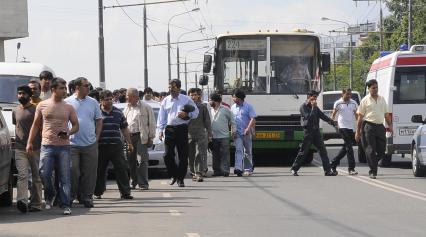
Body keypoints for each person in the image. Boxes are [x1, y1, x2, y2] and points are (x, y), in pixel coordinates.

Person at [27, 77, 79, 215]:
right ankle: (50, 195)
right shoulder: (42, 105)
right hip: (47, 145)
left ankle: (66, 204)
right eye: (61, 88)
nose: (64, 91)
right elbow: (36, 125)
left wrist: (68, 133)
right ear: (53, 89)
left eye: (65, 88)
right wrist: (29, 142)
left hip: (64, 147)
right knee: (44, 174)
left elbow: (76, 125)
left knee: (65, 177)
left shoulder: (69, 107)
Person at [64, 77, 103, 208]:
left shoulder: (93, 102)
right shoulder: (67, 102)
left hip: (90, 143)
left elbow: (98, 120)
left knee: (90, 172)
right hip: (72, 144)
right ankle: (71, 196)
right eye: (86, 85)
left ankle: (87, 197)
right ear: (77, 87)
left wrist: (97, 137)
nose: (89, 88)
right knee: (73, 170)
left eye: (89, 85)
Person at [157, 79, 199, 187]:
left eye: (173, 87)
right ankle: (173, 174)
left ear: (179, 88)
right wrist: (160, 131)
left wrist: (187, 115)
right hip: (169, 129)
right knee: (167, 155)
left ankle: (180, 178)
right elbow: (162, 117)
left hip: (182, 128)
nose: (171, 89)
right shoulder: (166, 100)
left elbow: (196, 112)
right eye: (170, 87)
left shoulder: (186, 99)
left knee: (183, 155)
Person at [94, 90, 134, 199]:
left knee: (122, 168)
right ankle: (98, 192)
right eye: (106, 100)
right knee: (100, 170)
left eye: (110, 99)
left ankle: (125, 192)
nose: (109, 101)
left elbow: (124, 128)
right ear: (101, 100)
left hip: (116, 146)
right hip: (100, 146)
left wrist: (129, 143)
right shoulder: (96, 112)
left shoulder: (118, 112)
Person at [290, 90, 338, 176]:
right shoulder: (303, 107)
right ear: (309, 97)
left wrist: (332, 122)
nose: (315, 99)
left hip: (316, 132)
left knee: (323, 151)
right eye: (314, 97)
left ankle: (327, 171)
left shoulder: (315, 107)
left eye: (316, 97)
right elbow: (309, 118)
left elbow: (322, 116)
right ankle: (294, 168)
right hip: (308, 132)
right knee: (304, 151)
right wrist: (313, 108)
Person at [13, 85, 43, 213]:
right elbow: (17, 126)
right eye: (19, 93)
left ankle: (36, 204)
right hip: (19, 148)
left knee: (36, 177)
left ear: (29, 95)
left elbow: (40, 128)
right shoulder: (15, 110)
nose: (21, 96)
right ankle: (22, 202)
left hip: (35, 148)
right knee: (22, 175)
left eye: (23, 94)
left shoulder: (36, 110)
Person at [355, 79, 393, 179]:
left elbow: (386, 114)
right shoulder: (365, 100)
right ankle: (373, 171)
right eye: (373, 88)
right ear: (369, 89)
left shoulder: (382, 99)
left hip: (380, 126)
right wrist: (358, 132)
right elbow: (359, 117)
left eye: (376, 87)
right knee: (370, 150)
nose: (375, 89)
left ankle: (373, 163)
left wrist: (390, 126)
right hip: (368, 126)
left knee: (382, 149)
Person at [123, 88, 156, 190]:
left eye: (128, 96)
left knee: (142, 160)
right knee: (131, 161)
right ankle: (133, 181)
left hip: (141, 137)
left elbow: (152, 123)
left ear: (135, 97)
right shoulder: (127, 108)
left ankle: (143, 183)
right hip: (129, 137)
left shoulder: (146, 107)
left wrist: (151, 137)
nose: (126, 98)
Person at [330, 89, 359, 175]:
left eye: (350, 94)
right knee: (349, 148)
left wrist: (358, 128)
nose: (349, 96)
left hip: (350, 127)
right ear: (342, 94)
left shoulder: (353, 103)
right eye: (347, 94)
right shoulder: (338, 103)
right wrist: (333, 123)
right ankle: (351, 168)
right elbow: (333, 114)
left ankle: (333, 163)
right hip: (342, 127)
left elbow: (357, 115)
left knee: (346, 147)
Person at [188, 88, 212, 182]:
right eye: (191, 95)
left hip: (201, 134)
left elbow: (207, 121)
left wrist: (210, 133)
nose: (193, 96)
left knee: (200, 153)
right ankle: (193, 171)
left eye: (195, 95)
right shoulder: (185, 106)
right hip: (188, 135)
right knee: (191, 154)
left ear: (198, 96)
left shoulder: (202, 107)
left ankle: (199, 172)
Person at [231, 89, 256, 176]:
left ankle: (248, 169)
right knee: (238, 150)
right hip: (237, 132)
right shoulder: (233, 107)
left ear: (240, 98)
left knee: (248, 151)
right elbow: (232, 120)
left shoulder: (249, 106)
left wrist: (248, 129)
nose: (233, 99)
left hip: (246, 133)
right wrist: (233, 131)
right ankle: (238, 168)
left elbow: (253, 118)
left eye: (234, 97)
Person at [209, 92, 236, 177]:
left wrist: (233, 131)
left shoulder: (225, 109)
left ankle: (225, 171)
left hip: (224, 136)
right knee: (215, 155)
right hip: (213, 136)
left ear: (216, 101)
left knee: (225, 154)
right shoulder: (209, 110)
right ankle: (216, 171)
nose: (209, 102)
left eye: (210, 100)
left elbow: (232, 121)